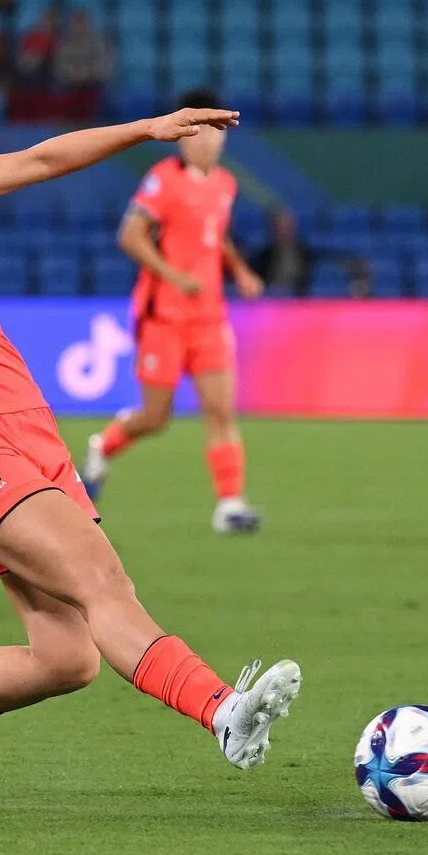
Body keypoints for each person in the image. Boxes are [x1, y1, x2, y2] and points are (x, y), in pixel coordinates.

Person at [0, 61, 299, 803]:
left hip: (28, 426)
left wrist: (145, 129)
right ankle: (224, 712)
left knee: (67, 657)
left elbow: (38, 160)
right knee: (101, 578)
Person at [81, 88, 265, 534]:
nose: (208, 141)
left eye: (216, 133)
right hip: (164, 317)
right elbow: (130, 235)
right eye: (200, 131)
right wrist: (173, 275)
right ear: (184, 136)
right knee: (156, 417)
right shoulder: (162, 180)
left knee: (221, 412)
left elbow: (213, 235)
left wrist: (239, 270)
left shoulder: (225, 185)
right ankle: (102, 446)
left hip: (209, 317)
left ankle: (229, 504)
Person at [250, 205, 313, 296]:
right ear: (270, 227)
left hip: (298, 301)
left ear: (293, 226)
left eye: (285, 224)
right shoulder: (262, 256)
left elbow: (307, 283)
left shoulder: (305, 252)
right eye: (276, 225)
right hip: (270, 301)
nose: (281, 229)